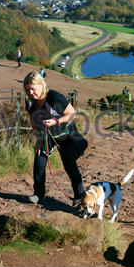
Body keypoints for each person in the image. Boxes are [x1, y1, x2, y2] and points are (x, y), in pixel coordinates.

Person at [23, 71, 88, 205]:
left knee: (69, 162)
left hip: (67, 134)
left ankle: (79, 196)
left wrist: (56, 121)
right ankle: (38, 194)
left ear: (41, 85)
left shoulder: (54, 97)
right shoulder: (31, 103)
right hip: (47, 135)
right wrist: (39, 141)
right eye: (28, 89)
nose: (31, 93)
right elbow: (34, 122)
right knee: (39, 159)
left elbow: (72, 113)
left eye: (33, 89)